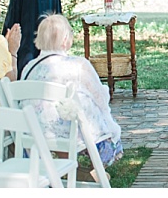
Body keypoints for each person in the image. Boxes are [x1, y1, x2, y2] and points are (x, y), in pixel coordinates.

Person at [19, 14, 125, 169]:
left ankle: (65, 167)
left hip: (36, 134)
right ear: (64, 40)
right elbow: (101, 99)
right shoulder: (79, 65)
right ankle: (90, 167)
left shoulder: (29, 67)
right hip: (72, 135)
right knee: (91, 108)